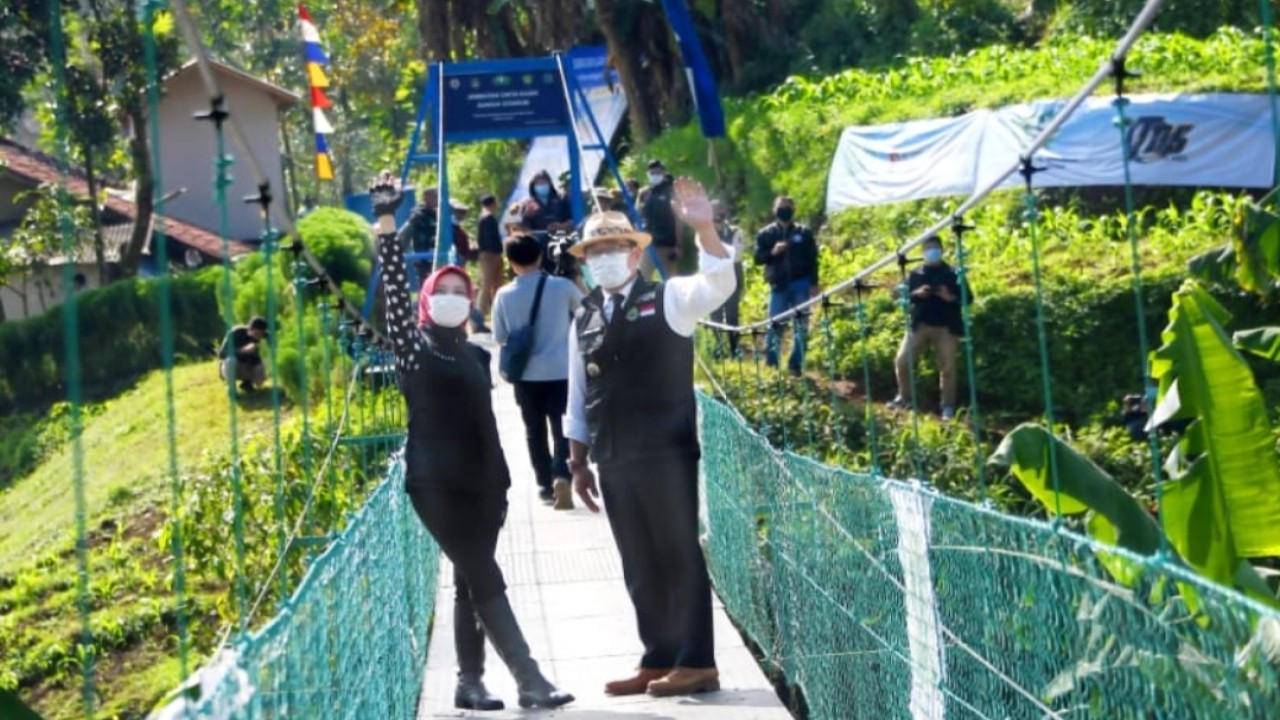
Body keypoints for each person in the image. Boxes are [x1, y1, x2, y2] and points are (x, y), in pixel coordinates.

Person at [370, 174, 573, 712]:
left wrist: (504, 485)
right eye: (445, 291)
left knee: (469, 580)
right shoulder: (414, 349)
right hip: (436, 485)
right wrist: (388, 222)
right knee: (485, 574)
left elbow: (486, 423)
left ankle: (470, 682)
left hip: (487, 486)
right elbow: (392, 289)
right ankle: (529, 679)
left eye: (463, 291)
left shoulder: (476, 356)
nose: (455, 297)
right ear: (427, 300)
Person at [566, 177, 735, 698]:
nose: (606, 258)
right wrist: (576, 461)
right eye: (596, 251)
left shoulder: (670, 299)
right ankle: (657, 655)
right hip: (614, 456)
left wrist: (705, 230)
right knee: (638, 560)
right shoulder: (585, 317)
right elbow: (576, 394)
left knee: (677, 552)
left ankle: (696, 660)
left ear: (635, 255)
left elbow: (718, 286)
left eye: (615, 248)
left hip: (666, 452)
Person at [493, 234, 583, 509]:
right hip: (562, 371)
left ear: (510, 263)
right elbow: (587, 312)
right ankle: (562, 475)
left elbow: (499, 336)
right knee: (562, 427)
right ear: (541, 256)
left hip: (526, 376)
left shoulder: (503, 295)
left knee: (534, 430)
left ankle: (544, 486)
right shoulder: (562, 287)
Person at [888, 235, 973, 421]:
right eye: (928, 249)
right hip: (920, 325)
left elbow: (968, 298)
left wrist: (949, 297)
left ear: (941, 250)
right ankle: (905, 397)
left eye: (935, 248)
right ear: (923, 252)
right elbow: (897, 295)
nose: (932, 252)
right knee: (902, 361)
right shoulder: (915, 274)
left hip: (946, 327)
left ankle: (948, 407)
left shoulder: (954, 273)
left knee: (948, 368)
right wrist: (915, 294)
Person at [754, 195, 820, 376]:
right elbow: (758, 259)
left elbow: (813, 259)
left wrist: (814, 283)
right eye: (781, 208)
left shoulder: (804, 233)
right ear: (774, 211)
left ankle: (795, 365)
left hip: (801, 284)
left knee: (801, 327)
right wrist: (772, 252)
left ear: (794, 210)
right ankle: (772, 364)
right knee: (775, 324)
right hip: (779, 286)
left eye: (788, 207)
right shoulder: (766, 234)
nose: (785, 211)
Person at [708, 200, 745, 357]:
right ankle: (718, 349)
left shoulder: (736, 231)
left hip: (732, 279)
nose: (717, 214)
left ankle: (734, 348)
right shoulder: (704, 233)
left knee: (732, 315)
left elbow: (736, 256)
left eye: (720, 210)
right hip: (712, 281)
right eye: (714, 210)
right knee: (714, 316)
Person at [638, 159, 679, 280]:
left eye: (657, 172)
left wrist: (678, 245)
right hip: (648, 244)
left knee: (670, 282)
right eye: (652, 172)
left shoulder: (671, 191)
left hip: (667, 245)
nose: (654, 175)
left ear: (663, 172)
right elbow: (639, 216)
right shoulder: (645, 193)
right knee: (642, 278)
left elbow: (679, 220)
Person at [217, 316, 269, 394]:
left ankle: (247, 384)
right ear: (250, 329)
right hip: (231, 367)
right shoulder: (236, 333)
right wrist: (243, 350)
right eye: (257, 334)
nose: (258, 337)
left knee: (261, 367)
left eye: (261, 335)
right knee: (231, 360)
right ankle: (231, 389)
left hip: (248, 366)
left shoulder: (262, 335)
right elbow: (222, 353)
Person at [399, 186, 439, 282]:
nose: (437, 199)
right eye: (434, 197)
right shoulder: (418, 215)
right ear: (425, 198)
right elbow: (405, 233)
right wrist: (403, 250)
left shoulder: (435, 214)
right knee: (426, 283)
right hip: (423, 257)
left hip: (435, 255)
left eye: (437, 196)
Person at [476, 194, 504, 320]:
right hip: (490, 255)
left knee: (496, 285)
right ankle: (479, 314)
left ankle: (496, 313)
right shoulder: (488, 218)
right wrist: (495, 252)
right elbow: (489, 239)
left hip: (490, 254)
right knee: (487, 286)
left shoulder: (485, 217)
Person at [520, 169, 573, 234]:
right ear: (533, 186)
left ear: (550, 184)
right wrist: (527, 216)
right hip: (537, 240)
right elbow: (523, 229)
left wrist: (561, 226)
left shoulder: (561, 199)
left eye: (544, 182)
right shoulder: (527, 204)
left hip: (561, 237)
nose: (541, 186)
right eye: (538, 184)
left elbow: (573, 220)